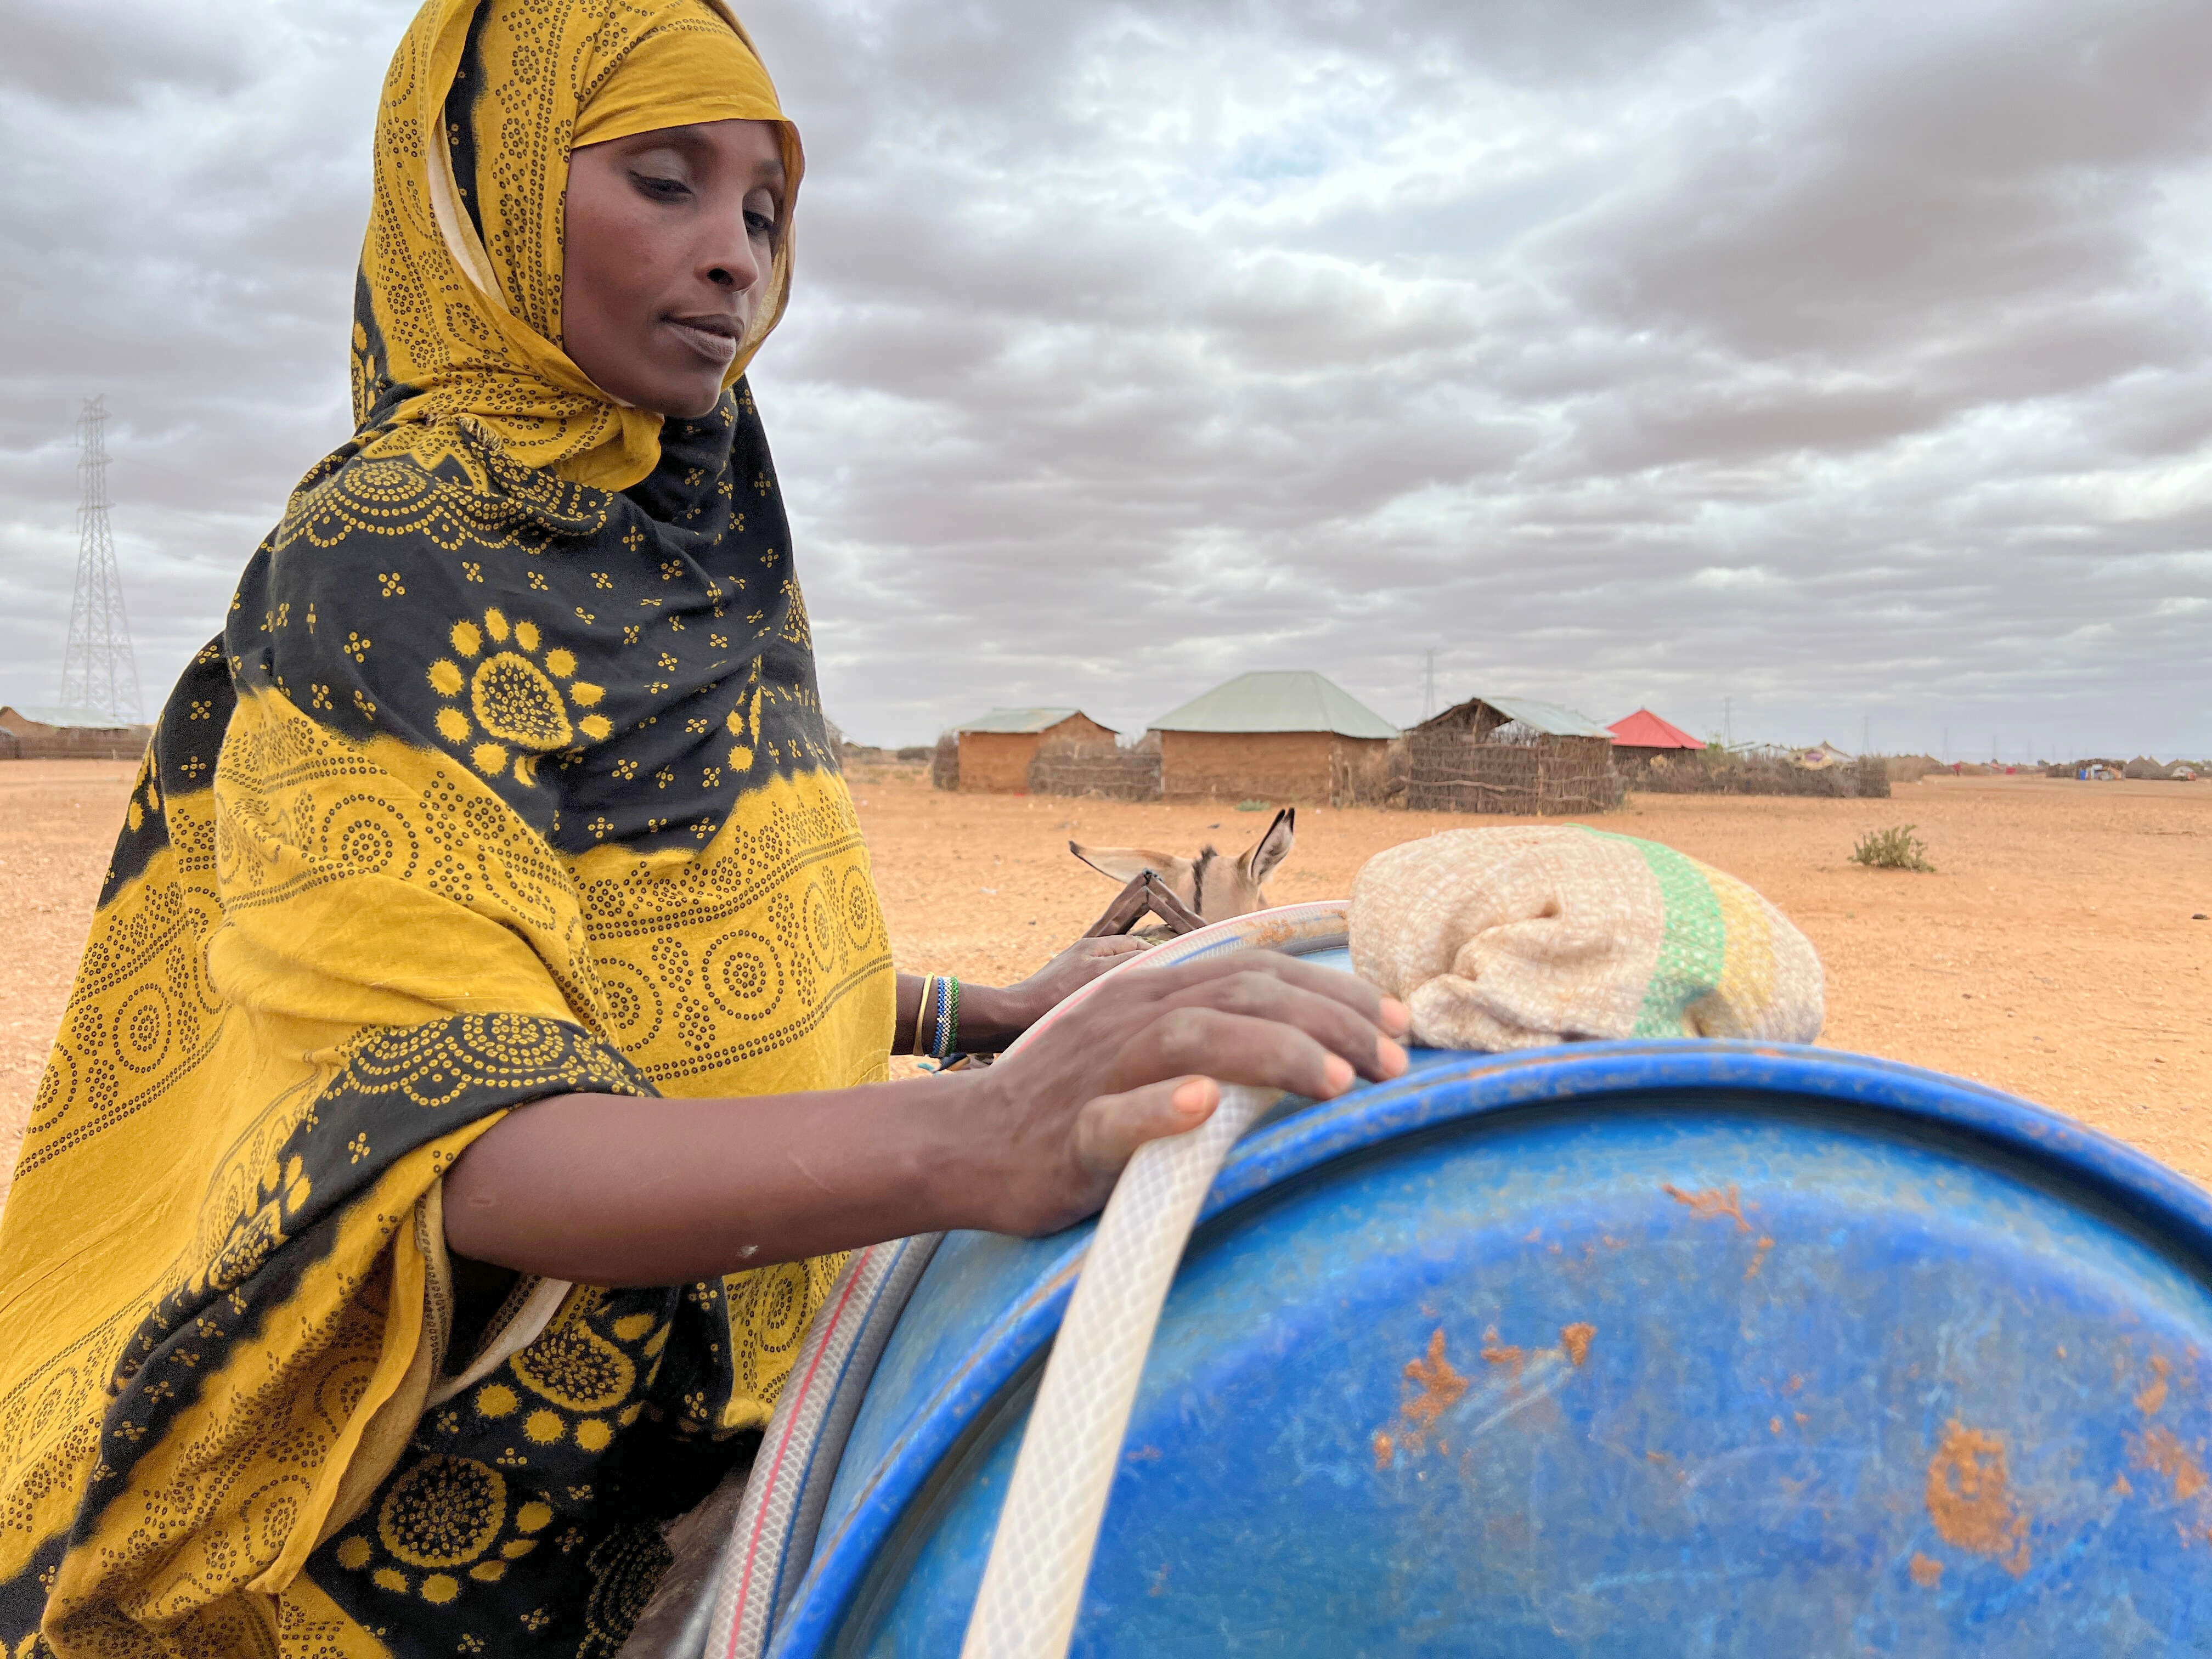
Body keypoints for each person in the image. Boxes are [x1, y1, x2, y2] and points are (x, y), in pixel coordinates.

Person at [0, 4, 1408, 1656]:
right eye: (665, 182)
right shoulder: (387, 557)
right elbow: (449, 1130)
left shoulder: (697, 518)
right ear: (484, 198)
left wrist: (981, 1019)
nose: (735, 258)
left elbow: (633, 935)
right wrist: (981, 1137)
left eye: (763, 210)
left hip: (737, 1406)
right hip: (472, 1524)